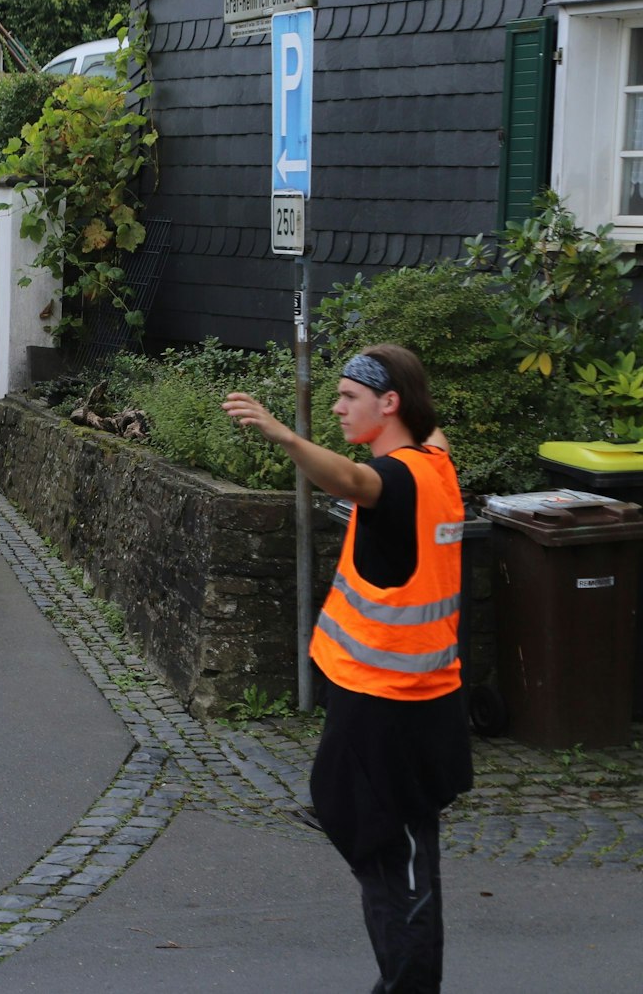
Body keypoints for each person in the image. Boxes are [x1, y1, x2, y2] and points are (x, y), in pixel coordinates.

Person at [222, 344, 469, 994]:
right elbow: (419, 421)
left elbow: (351, 481)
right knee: (362, 830)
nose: (335, 406)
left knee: (398, 863)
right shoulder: (434, 457)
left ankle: (408, 985)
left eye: (348, 397)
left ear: (389, 404)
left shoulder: (399, 478)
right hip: (373, 701)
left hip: (399, 711)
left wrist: (282, 433)